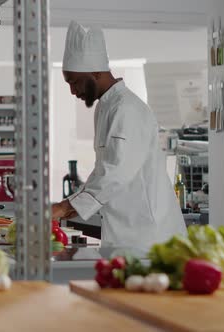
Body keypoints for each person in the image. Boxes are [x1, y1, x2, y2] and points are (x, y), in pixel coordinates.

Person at [51, 21, 186, 252]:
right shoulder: (105, 108)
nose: (73, 91)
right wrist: (67, 205)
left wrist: (64, 207)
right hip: (124, 232)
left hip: (149, 236)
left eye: (74, 81)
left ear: (95, 72)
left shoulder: (127, 109)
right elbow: (103, 170)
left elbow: (116, 172)